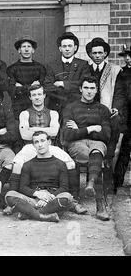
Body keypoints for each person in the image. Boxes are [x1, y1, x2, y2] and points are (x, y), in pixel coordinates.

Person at [9, 84, 84, 214]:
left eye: (39, 94)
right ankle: (13, 203)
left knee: (71, 164)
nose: (37, 97)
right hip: (30, 146)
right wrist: (46, 131)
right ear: (30, 97)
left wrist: (33, 130)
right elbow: (24, 135)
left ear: (44, 95)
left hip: (50, 146)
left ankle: (74, 201)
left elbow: (54, 132)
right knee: (17, 164)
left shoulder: (53, 113)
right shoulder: (25, 114)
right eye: (34, 95)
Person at [62, 76, 111, 221]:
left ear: (96, 91)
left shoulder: (102, 109)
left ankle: (97, 198)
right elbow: (68, 134)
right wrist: (90, 128)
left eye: (92, 88)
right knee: (93, 157)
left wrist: (80, 129)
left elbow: (106, 135)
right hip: (77, 143)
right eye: (86, 88)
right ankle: (93, 200)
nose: (89, 91)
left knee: (96, 151)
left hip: (97, 143)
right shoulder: (71, 108)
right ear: (80, 89)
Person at [5, 131, 73, 223]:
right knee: (10, 195)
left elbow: (64, 187)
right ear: (33, 145)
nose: (40, 145)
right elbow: (22, 187)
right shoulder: (28, 165)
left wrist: (49, 197)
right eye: (36, 142)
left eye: (42, 141)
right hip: (33, 200)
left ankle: (30, 213)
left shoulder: (60, 164)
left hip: (52, 199)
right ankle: (42, 216)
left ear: (49, 142)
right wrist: (37, 194)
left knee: (67, 197)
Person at [86, 37, 127, 191]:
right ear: (90, 54)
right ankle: (92, 179)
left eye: (100, 53)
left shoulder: (115, 70)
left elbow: (120, 92)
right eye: (94, 53)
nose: (97, 56)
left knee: (111, 138)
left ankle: (108, 178)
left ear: (105, 54)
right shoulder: (86, 69)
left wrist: (116, 107)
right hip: (90, 111)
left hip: (108, 111)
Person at [44, 32, 91, 113]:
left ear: (75, 48)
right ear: (60, 48)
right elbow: (47, 86)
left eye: (70, 46)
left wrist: (63, 84)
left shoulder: (83, 65)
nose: (67, 49)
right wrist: (72, 87)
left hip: (76, 107)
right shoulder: (51, 65)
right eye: (64, 46)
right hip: (55, 107)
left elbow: (84, 84)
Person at [7, 36, 47, 119]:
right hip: (18, 105)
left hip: (36, 105)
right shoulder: (12, 69)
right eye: (23, 47)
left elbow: (43, 89)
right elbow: (12, 91)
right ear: (19, 50)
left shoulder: (40, 68)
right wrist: (32, 87)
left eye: (29, 47)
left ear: (33, 50)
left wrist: (21, 87)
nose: (26, 49)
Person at [113, 44, 131, 192]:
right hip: (128, 117)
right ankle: (117, 182)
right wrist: (117, 109)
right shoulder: (123, 73)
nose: (128, 59)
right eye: (126, 56)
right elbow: (119, 94)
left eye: (130, 56)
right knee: (124, 149)